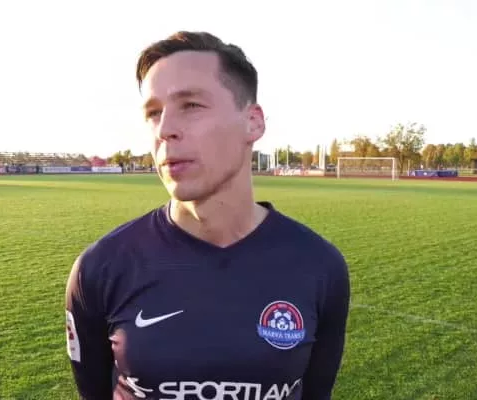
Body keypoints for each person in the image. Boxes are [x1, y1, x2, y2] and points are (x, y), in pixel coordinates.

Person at [65, 31, 351, 400]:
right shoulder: (100, 268)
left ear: (253, 122)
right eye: (153, 113)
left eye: (191, 105)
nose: (165, 129)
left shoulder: (319, 265)